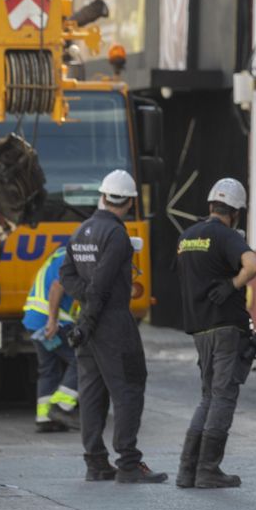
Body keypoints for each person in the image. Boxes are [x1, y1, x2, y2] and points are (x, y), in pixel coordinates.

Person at [59, 169, 167, 483]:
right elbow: (102, 285)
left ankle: (96, 463)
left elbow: (66, 276)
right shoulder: (117, 235)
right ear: (130, 202)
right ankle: (129, 464)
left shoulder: (81, 231)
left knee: (91, 393)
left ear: (102, 196)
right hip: (113, 323)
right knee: (129, 389)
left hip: (87, 322)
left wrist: (85, 318)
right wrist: (92, 310)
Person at [174, 178, 256, 489]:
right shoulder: (225, 236)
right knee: (223, 397)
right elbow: (252, 265)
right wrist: (232, 285)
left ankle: (188, 470)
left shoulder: (186, 238)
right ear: (236, 211)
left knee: (208, 397)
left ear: (211, 205)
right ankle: (208, 469)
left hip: (199, 328)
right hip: (226, 326)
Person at [23, 245, 79, 433]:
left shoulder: (60, 254)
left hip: (34, 320)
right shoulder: (73, 256)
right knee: (83, 361)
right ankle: (60, 407)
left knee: (49, 369)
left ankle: (45, 418)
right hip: (49, 323)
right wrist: (52, 320)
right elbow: (57, 287)